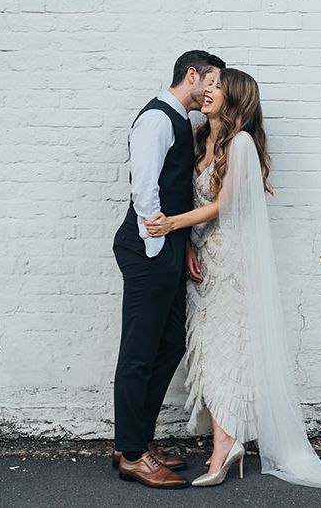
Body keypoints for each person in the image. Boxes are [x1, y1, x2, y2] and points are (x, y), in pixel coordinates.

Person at [144, 68, 321, 495]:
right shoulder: (199, 139)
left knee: (229, 350)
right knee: (208, 352)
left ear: (235, 100)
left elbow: (222, 204)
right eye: (207, 86)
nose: (208, 92)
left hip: (232, 261)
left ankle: (225, 444)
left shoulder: (241, 144)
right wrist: (189, 244)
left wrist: (170, 225)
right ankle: (225, 441)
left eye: (217, 88)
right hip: (204, 261)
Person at [111, 50, 226, 489]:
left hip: (168, 247)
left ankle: (133, 438)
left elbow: (174, 187)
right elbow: (144, 189)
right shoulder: (158, 119)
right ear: (192, 75)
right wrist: (161, 247)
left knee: (171, 341)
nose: (214, 91)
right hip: (147, 249)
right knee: (139, 351)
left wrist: (183, 245)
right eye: (211, 81)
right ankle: (132, 454)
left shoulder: (180, 120)